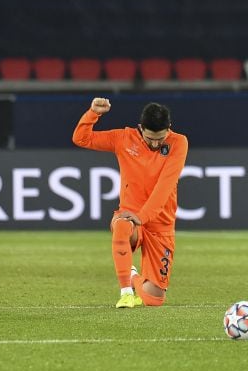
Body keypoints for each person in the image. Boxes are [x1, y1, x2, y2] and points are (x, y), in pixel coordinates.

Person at [72, 98, 188, 308]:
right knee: (122, 225)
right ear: (141, 128)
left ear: (169, 129)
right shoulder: (124, 138)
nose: (155, 144)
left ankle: (133, 275)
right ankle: (126, 292)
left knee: (154, 299)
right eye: (150, 138)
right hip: (130, 216)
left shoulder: (179, 143)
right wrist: (92, 114)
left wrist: (143, 216)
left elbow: (165, 187)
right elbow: (81, 138)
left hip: (160, 224)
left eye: (160, 139)